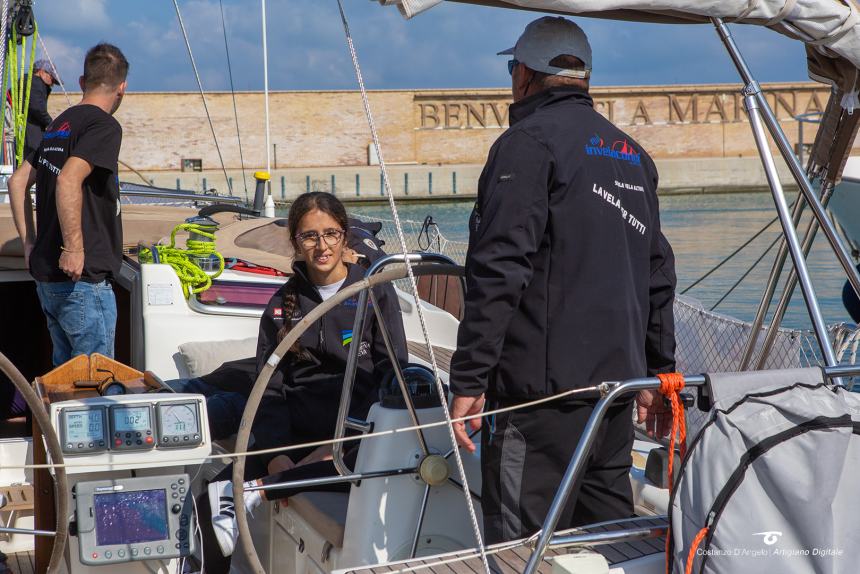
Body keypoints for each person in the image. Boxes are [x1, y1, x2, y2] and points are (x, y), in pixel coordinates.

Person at [448, 16, 677, 544]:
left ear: (524, 74)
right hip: (617, 395)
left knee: (522, 545)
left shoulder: (526, 144)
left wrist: (468, 379)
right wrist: (659, 375)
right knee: (609, 542)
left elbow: (500, 268)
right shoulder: (631, 155)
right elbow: (658, 275)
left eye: (512, 69)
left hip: (540, 401)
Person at [195, 192, 407, 572]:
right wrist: (277, 454)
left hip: (355, 433)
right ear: (295, 241)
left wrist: (334, 445)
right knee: (206, 503)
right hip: (294, 433)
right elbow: (269, 388)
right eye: (310, 236)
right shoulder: (281, 305)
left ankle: (263, 488)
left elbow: (392, 374)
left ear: (345, 237)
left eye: (331, 234)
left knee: (359, 457)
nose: (322, 246)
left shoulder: (374, 291)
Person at [8, 44, 128, 367]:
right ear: (122, 89)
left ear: (81, 81)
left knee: (65, 385)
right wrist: (74, 248)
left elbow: (17, 181)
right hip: (82, 282)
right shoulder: (104, 127)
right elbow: (68, 179)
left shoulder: (59, 126)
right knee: (95, 386)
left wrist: (29, 246)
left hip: (49, 281)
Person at [23, 59, 60, 161]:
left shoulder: (30, 82)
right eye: (52, 79)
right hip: (29, 133)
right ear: (42, 72)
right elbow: (37, 107)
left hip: (28, 131)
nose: (52, 84)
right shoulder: (35, 82)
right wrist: (51, 123)